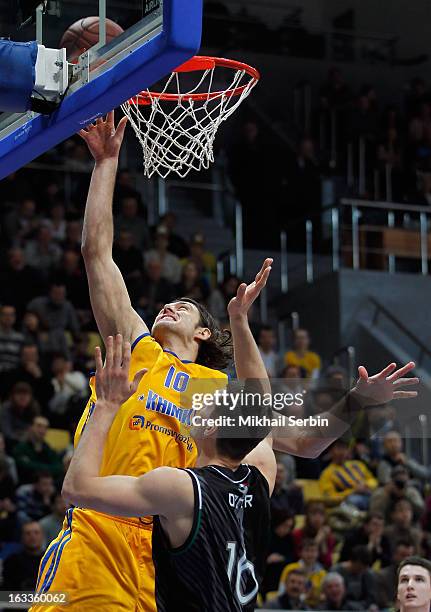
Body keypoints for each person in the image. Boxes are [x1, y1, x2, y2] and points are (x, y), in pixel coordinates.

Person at [32, 114, 418, 612]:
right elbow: (96, 253)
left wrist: (356, 400)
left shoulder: (220, 395)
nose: (168, 305)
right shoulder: (137, 349)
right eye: (166, 303)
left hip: (164, 561)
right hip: (96, 536)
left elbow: (306, 439)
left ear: (204, 332)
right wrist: (106, 162)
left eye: (185, 306)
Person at [61, 335, 275, 612]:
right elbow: (261, 408)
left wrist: (106, 405)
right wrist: (240, 320)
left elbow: (76, 489)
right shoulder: (260, 480)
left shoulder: (182, 487)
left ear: (210, 428)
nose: (197, 404)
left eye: (207, 403)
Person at [319, 439, 378, 510]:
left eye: (344, 448)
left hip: (370, 493)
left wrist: (366, 485)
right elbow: (330, 498)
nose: (342, 452)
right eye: (339, 448)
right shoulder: (327, 473)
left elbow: (373, 480)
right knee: (352, 500)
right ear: (331, 451)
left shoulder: (358, 464)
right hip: (350, 501)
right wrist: (353, 491)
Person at [3, 521, 45, 591]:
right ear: (21, 537)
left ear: (42, 536)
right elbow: (6, 593)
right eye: (28, 533)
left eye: (36, 532)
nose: (32, 536)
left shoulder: (52, 560)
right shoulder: (11, 561)